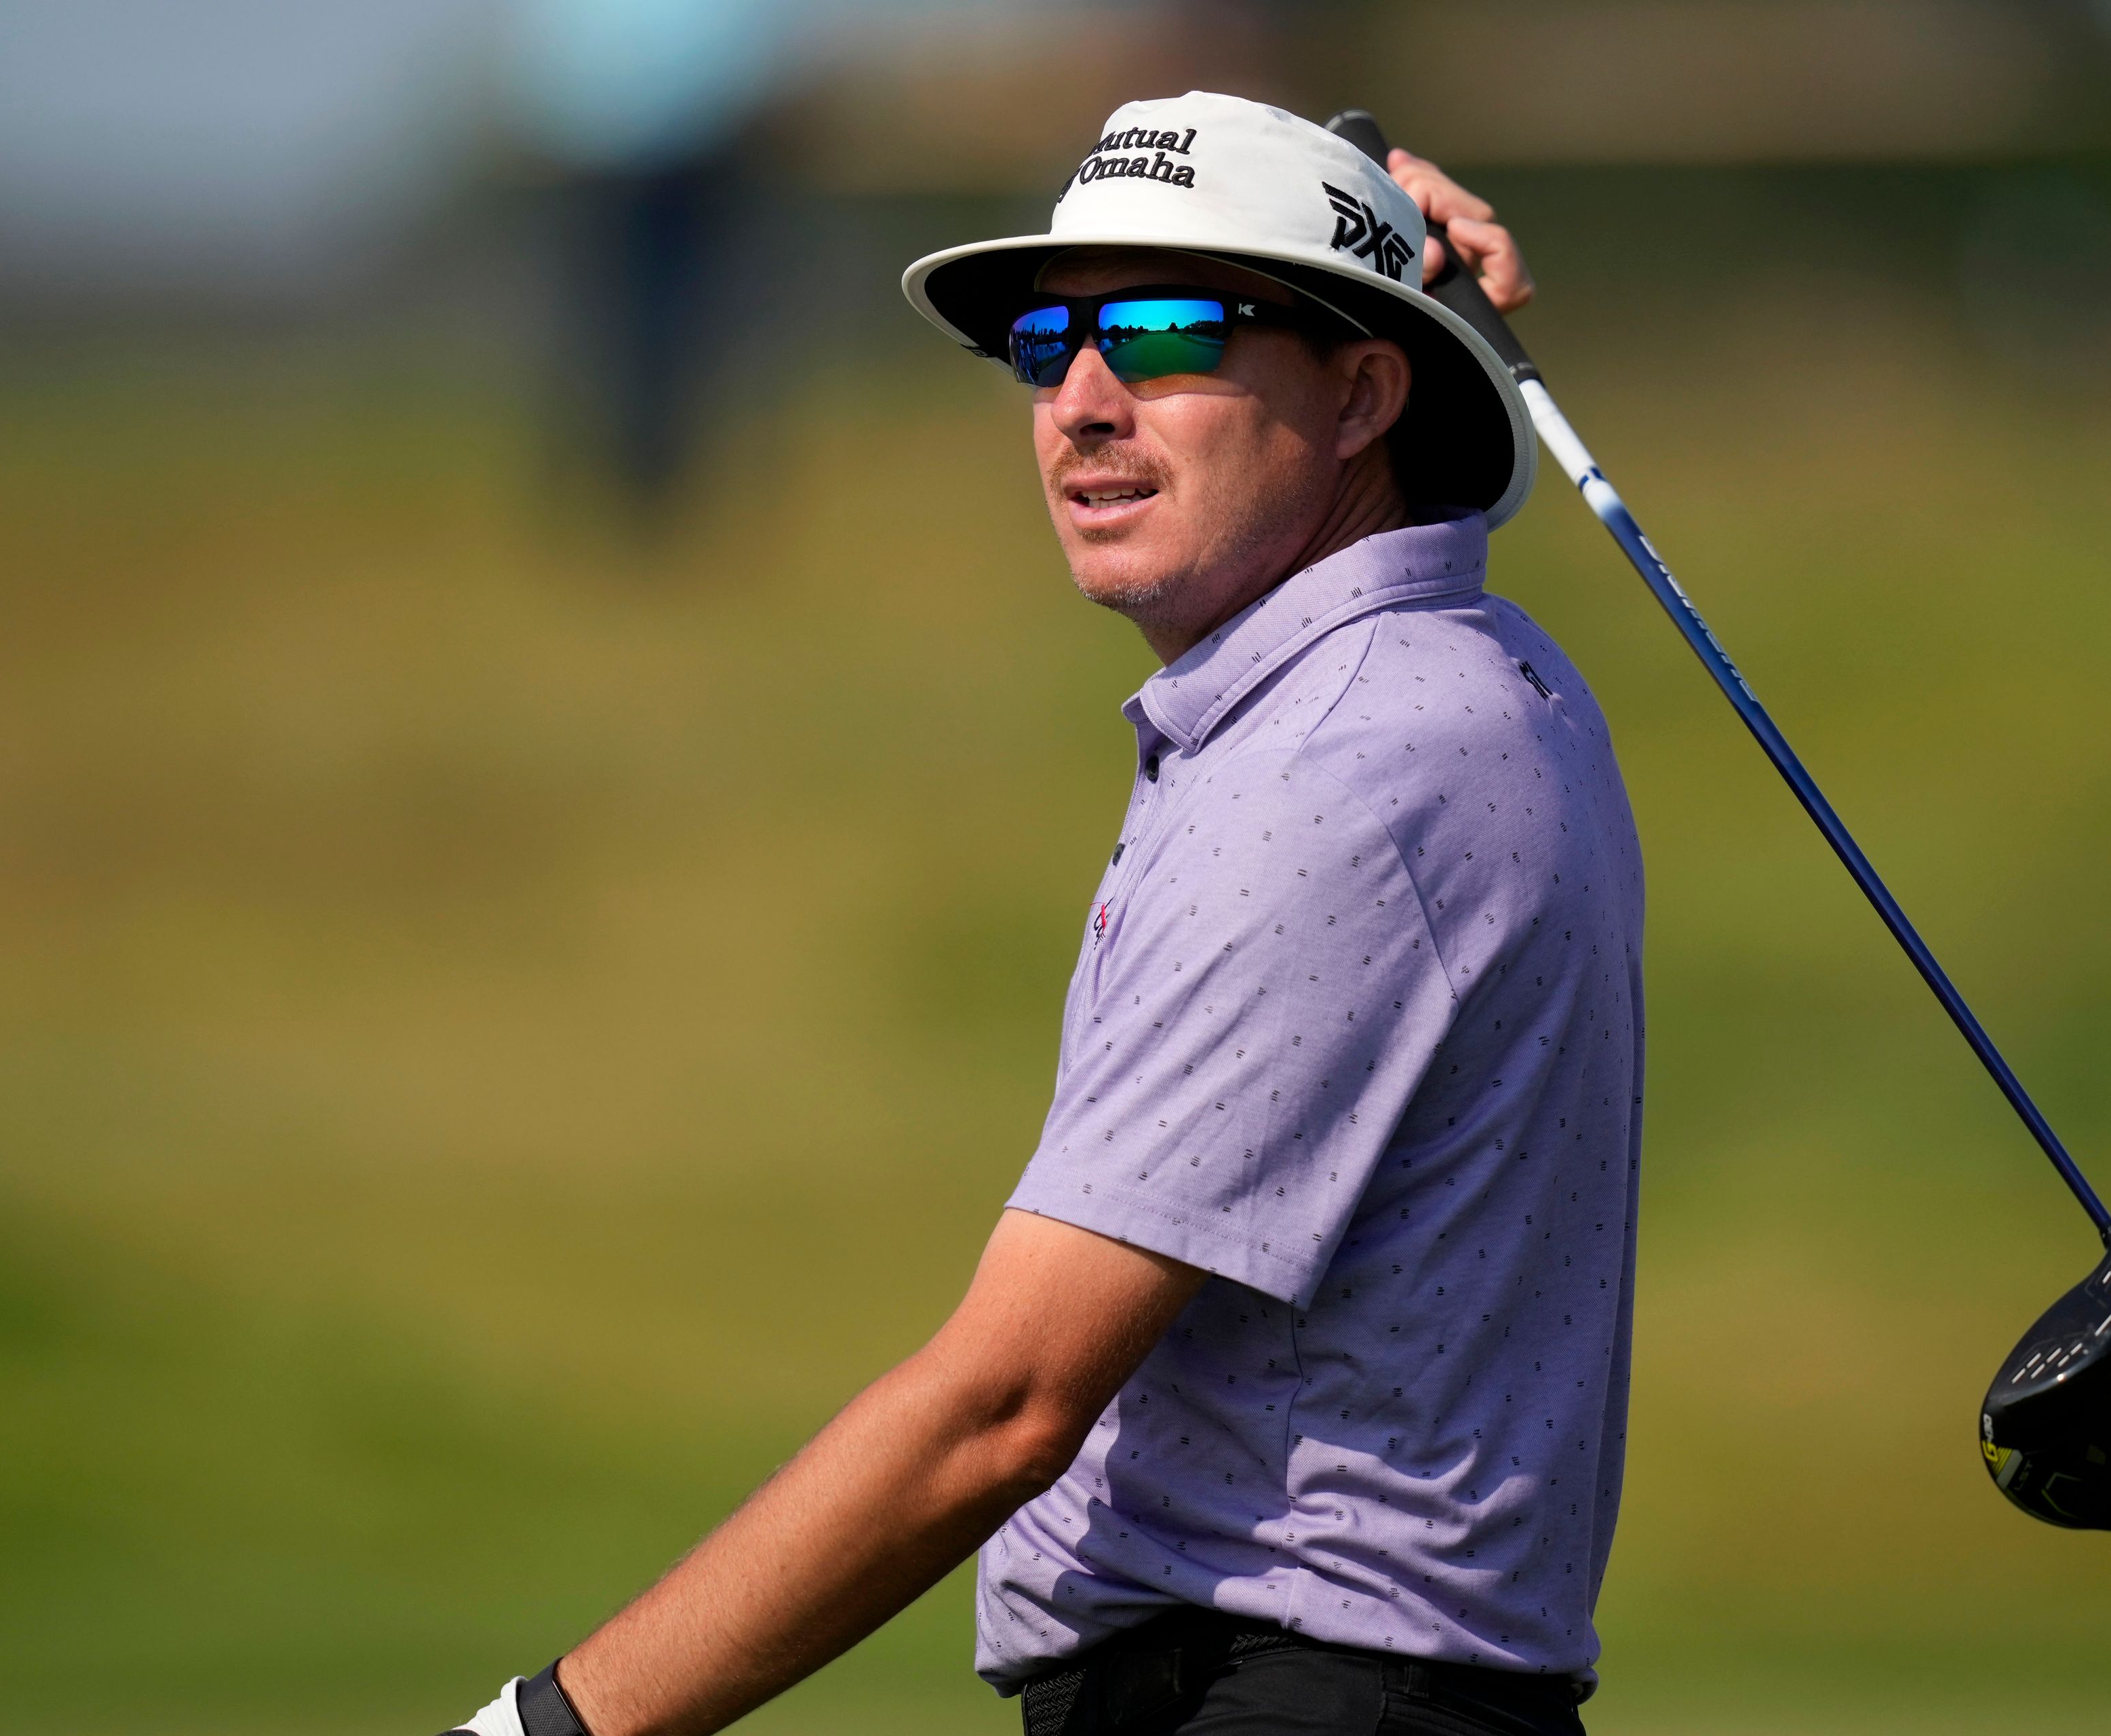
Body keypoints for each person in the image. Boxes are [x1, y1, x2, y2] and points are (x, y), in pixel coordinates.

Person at [443, 93, 1644, 1736]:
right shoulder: (1453, 679)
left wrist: (547, 1727)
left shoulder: (1344, 767)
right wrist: (1358, 229)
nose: (1082, 400)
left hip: (1289, 1694)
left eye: (1160, 330)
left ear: (1364, 390)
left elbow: (1002, 1408)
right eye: (1048, 341)